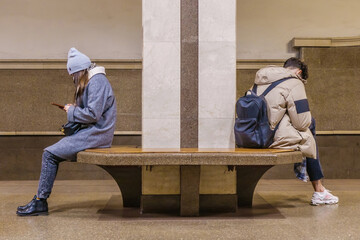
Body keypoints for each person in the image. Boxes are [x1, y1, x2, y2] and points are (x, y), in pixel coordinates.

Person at [16, 48, 117, 216]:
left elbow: (93, 114)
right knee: (50, 154)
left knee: (49, 154)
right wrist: (75, 109)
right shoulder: (93, 80)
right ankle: (40, 200)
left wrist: (71, 111)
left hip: (97, 133)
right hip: (93, 131)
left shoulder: (97, 81)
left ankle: (40, 202)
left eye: (73, 74)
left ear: (81, 70)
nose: (72, 78)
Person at [252, 57, 338, 205]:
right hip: (272, 138)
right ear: (299, 73)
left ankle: (317, 186)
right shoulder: (294, 82)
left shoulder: (260, 81)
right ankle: (319, 190)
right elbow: (302, 122)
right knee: (310, 127)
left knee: (306, 131)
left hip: (251, 135)